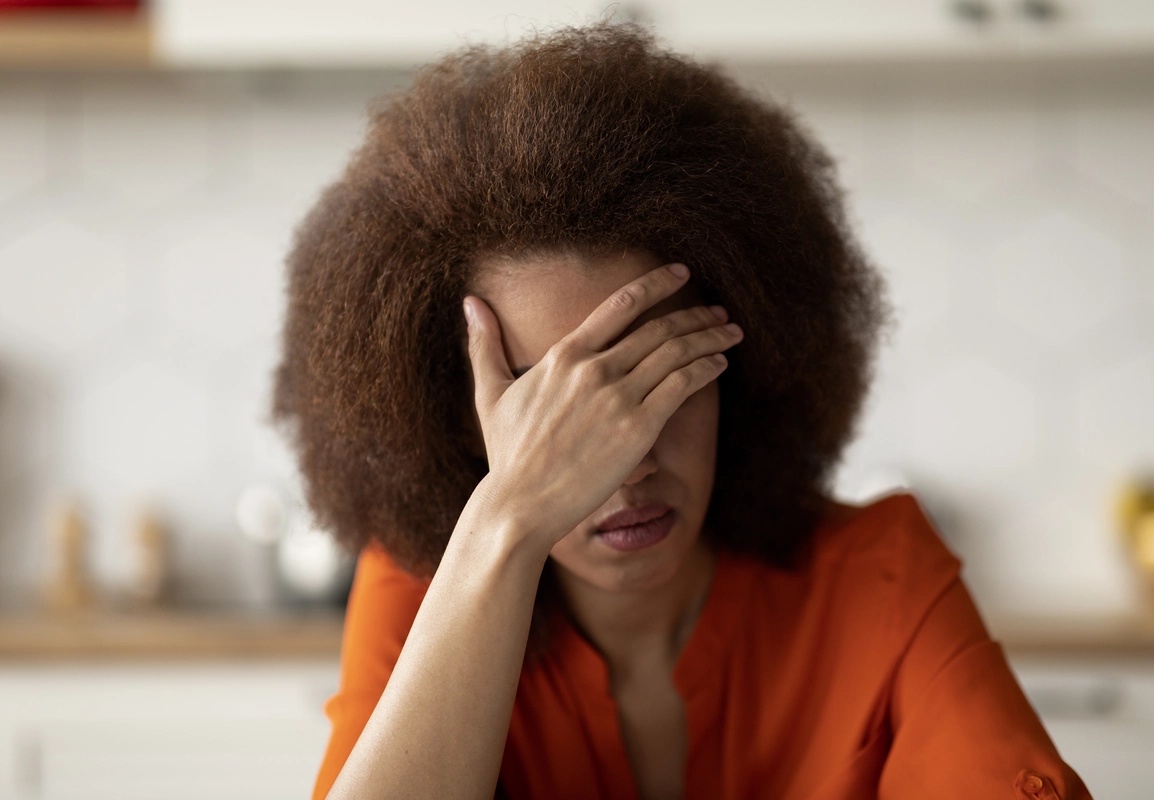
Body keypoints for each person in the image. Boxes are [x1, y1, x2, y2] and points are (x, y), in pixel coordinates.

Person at [270, 21, 1093, 800]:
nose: (627, 460)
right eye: (549, 406)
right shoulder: (425, 593)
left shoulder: (879, 580)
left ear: (743, 367)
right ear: (457, 416)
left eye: (663, 376)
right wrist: (510, 522)